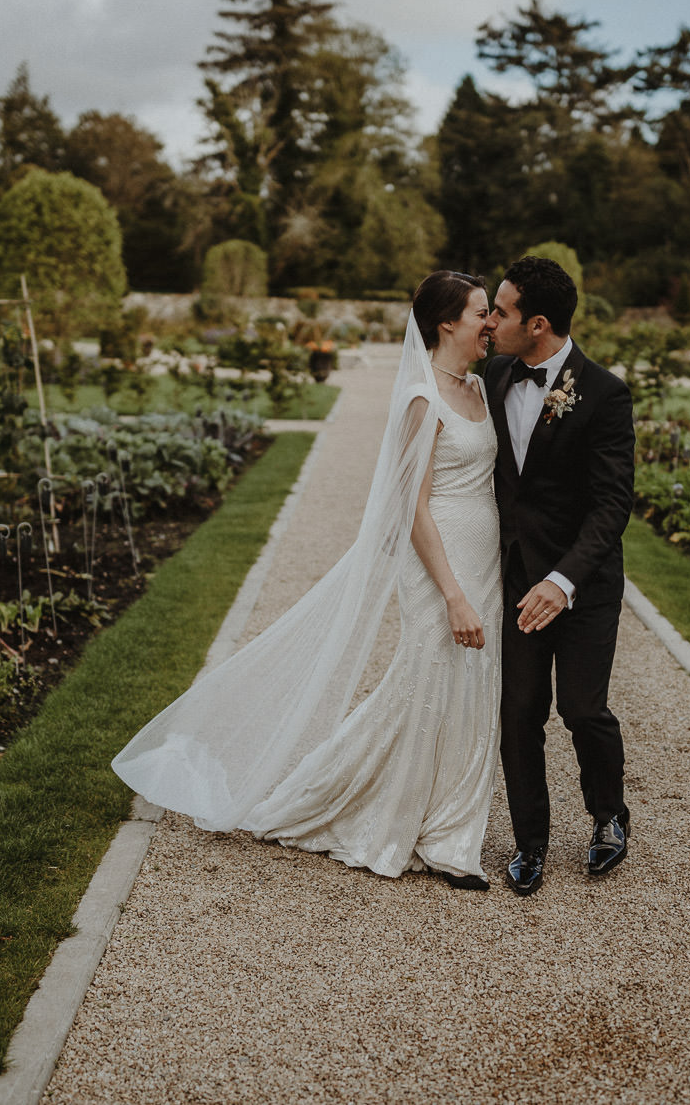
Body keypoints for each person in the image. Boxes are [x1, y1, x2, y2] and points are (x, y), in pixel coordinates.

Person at [112, 271, 502, 889]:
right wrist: (453, 593)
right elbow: (414, 508)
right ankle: (377, 813)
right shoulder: (422, 396)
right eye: (483, 312)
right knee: (427, 680)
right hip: (439, 566)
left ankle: (450, 827)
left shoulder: (479, 388)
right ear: (447, 322)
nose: (493, 323)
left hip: (486, 560)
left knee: (473, 687)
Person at [481, 255, 635, 897]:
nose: (489, 322)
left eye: (501, 311)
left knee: (581, 707)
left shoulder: (603, 393)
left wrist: (563, 581)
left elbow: (611, 505)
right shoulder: (490, 377)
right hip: (515, 578)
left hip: (583, 585)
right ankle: (530, 841)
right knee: (519, 711)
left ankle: (609, 817)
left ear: (537, 324)